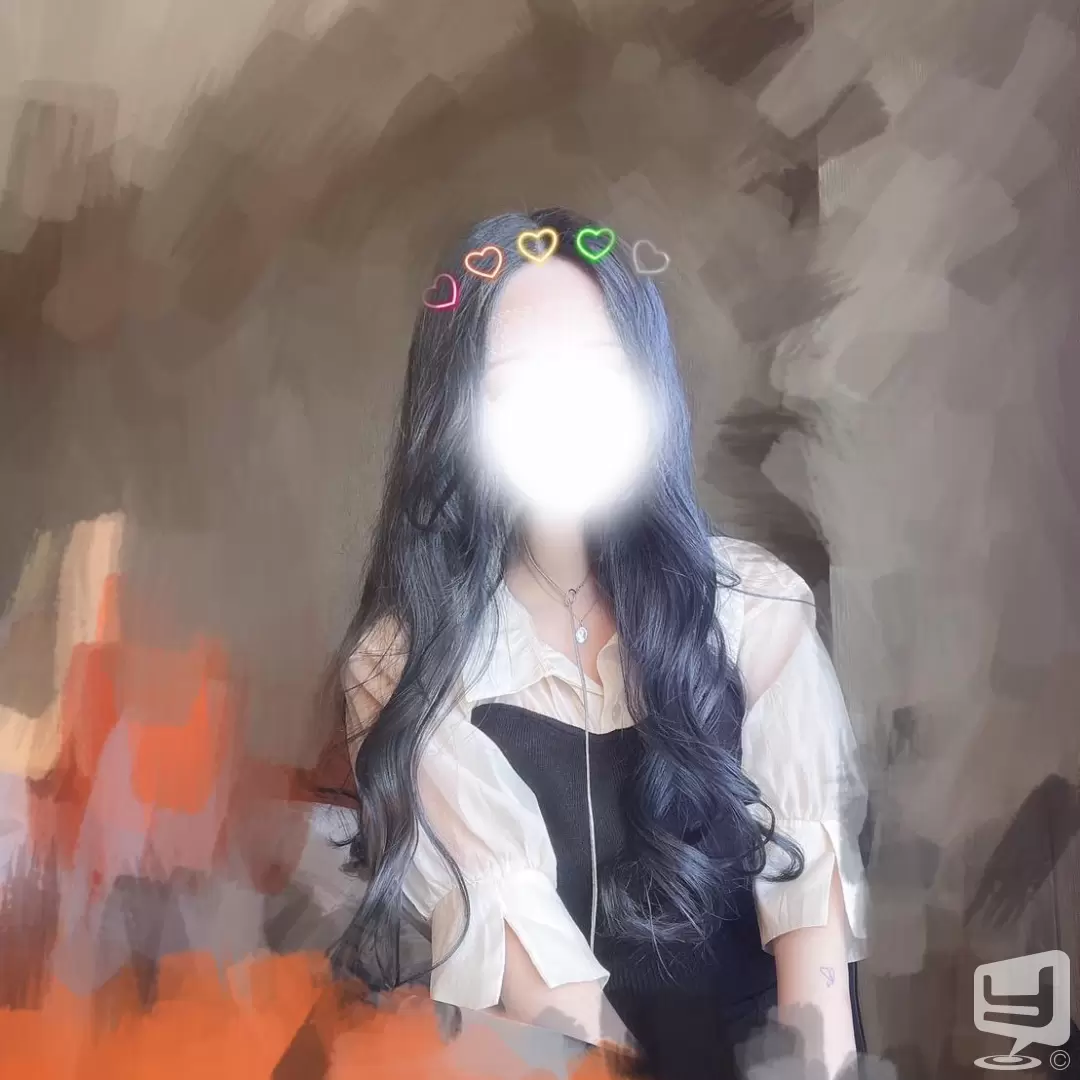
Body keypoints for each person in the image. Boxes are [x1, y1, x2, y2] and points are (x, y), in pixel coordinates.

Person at [332, 208, 869, 1079]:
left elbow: (817, 977)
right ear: (460, 414)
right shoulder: (402, 665)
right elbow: (548, 1000)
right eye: (517, 386)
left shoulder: (755, 608)